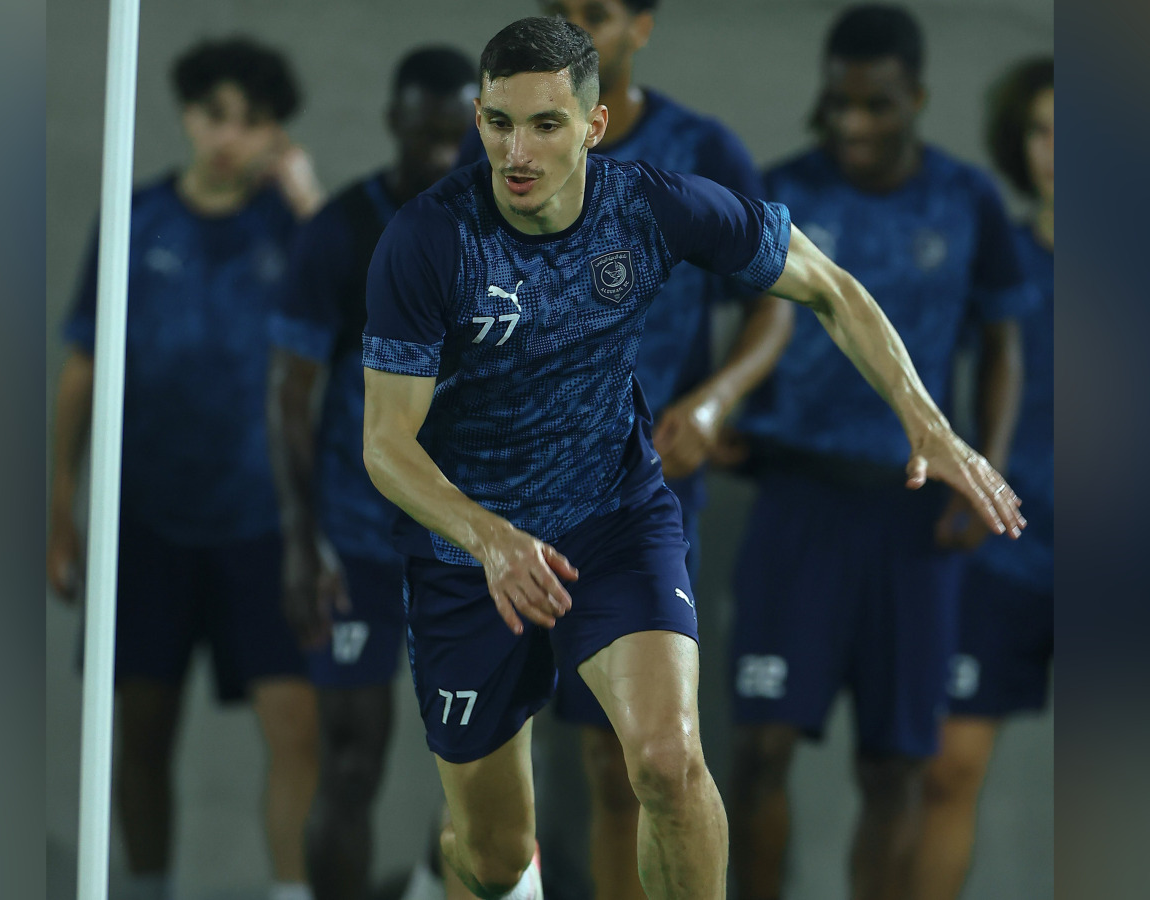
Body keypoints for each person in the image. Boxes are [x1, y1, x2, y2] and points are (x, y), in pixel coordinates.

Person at [360, 16, 1024, 900]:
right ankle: (459, 867)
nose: (517, 152)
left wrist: (926, 421)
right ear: (478, 119)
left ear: (592, 126)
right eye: (498, 122)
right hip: (468, 555)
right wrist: (489, 536)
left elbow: (828, 287)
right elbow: (386, 443)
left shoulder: (651, 204)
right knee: (494, 857)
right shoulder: (429, 239)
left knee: (668, 762)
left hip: (612, 519)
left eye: (546, 124)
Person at [456, 3, 792, 898]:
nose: (579, 25)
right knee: (496, 787)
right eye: (564, 8)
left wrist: (713, 403)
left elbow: (776, 300)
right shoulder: (495, 152)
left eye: (598, 12)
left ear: (641, 26)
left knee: (637, 761)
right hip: (513, 496)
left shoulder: (700, 152)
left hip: (646, 490)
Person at [719, 6, 1037, 900]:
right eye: (839, 104)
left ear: (917, 100)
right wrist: (722, 403)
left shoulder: (966, 200)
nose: (853, 124)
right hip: (796, 505)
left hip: (913, 518)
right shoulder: (782, 192)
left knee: (897, 766)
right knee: (759, 749)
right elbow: (747, 318)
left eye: (876, 106)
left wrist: (981, 471)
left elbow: (1003, 346)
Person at [46, 37, 323, 900]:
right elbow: (84, 365)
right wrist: (59, 500)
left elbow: (371, 319)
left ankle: (290, 892)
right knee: (141, 731)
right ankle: (146, 890)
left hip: (262, 519)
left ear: (276, 132)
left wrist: (309, 203)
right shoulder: (136, 221)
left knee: (298, 726)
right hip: (147, 518)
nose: (230, 137)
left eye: (252, 121)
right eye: (216, 116)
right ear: (188, 115)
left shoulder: (292, 227)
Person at [266, 45, 477, 900]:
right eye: (425, 131)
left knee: (480, 764)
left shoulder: (510, 232)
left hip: (471, 541)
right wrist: (300, 541)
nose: (442, 150)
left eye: (457, 132)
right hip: (359, 541)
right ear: (394, 122)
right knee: (350, 761)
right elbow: (290, 396)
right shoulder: (344, 232)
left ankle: (430, 885)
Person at [911, 56, 1054, 900]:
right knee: (947, 771)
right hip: (1004, 549)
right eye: (1042, 133)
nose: (1058, 153)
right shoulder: (994, 257)